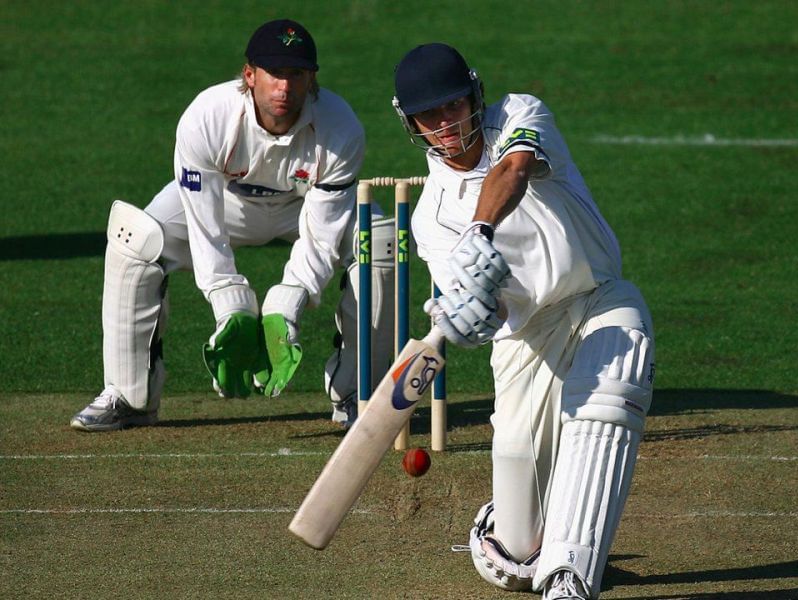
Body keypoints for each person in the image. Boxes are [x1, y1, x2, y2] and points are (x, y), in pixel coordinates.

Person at [393, 43, 655, 599]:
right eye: (430, 115)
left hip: (596, 298)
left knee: (610, 391)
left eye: (453, 105)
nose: (446, 123)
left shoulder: (519, 114)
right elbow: (492, 316)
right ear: (411, 122)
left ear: (474, 96)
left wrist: (480, 232)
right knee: (514, 557)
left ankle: (569, 577)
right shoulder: (430, 218)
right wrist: (470, 314)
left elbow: (514, 168)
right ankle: (519, 535)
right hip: (525, 344)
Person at [70, 19, 395, 432]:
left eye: (296, 74)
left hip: (302, 209)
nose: (284, 88)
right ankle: (129, 396)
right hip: (225, 204)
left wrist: (287, 304)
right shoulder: (207, 116)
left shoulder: (340, 128)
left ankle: (358, 393)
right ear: (249, 75)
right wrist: (231, 305)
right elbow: (204, 225)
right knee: (135, 239)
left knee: (381, 241)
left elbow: (322, 233)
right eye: (274, 73)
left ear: (312, 80)